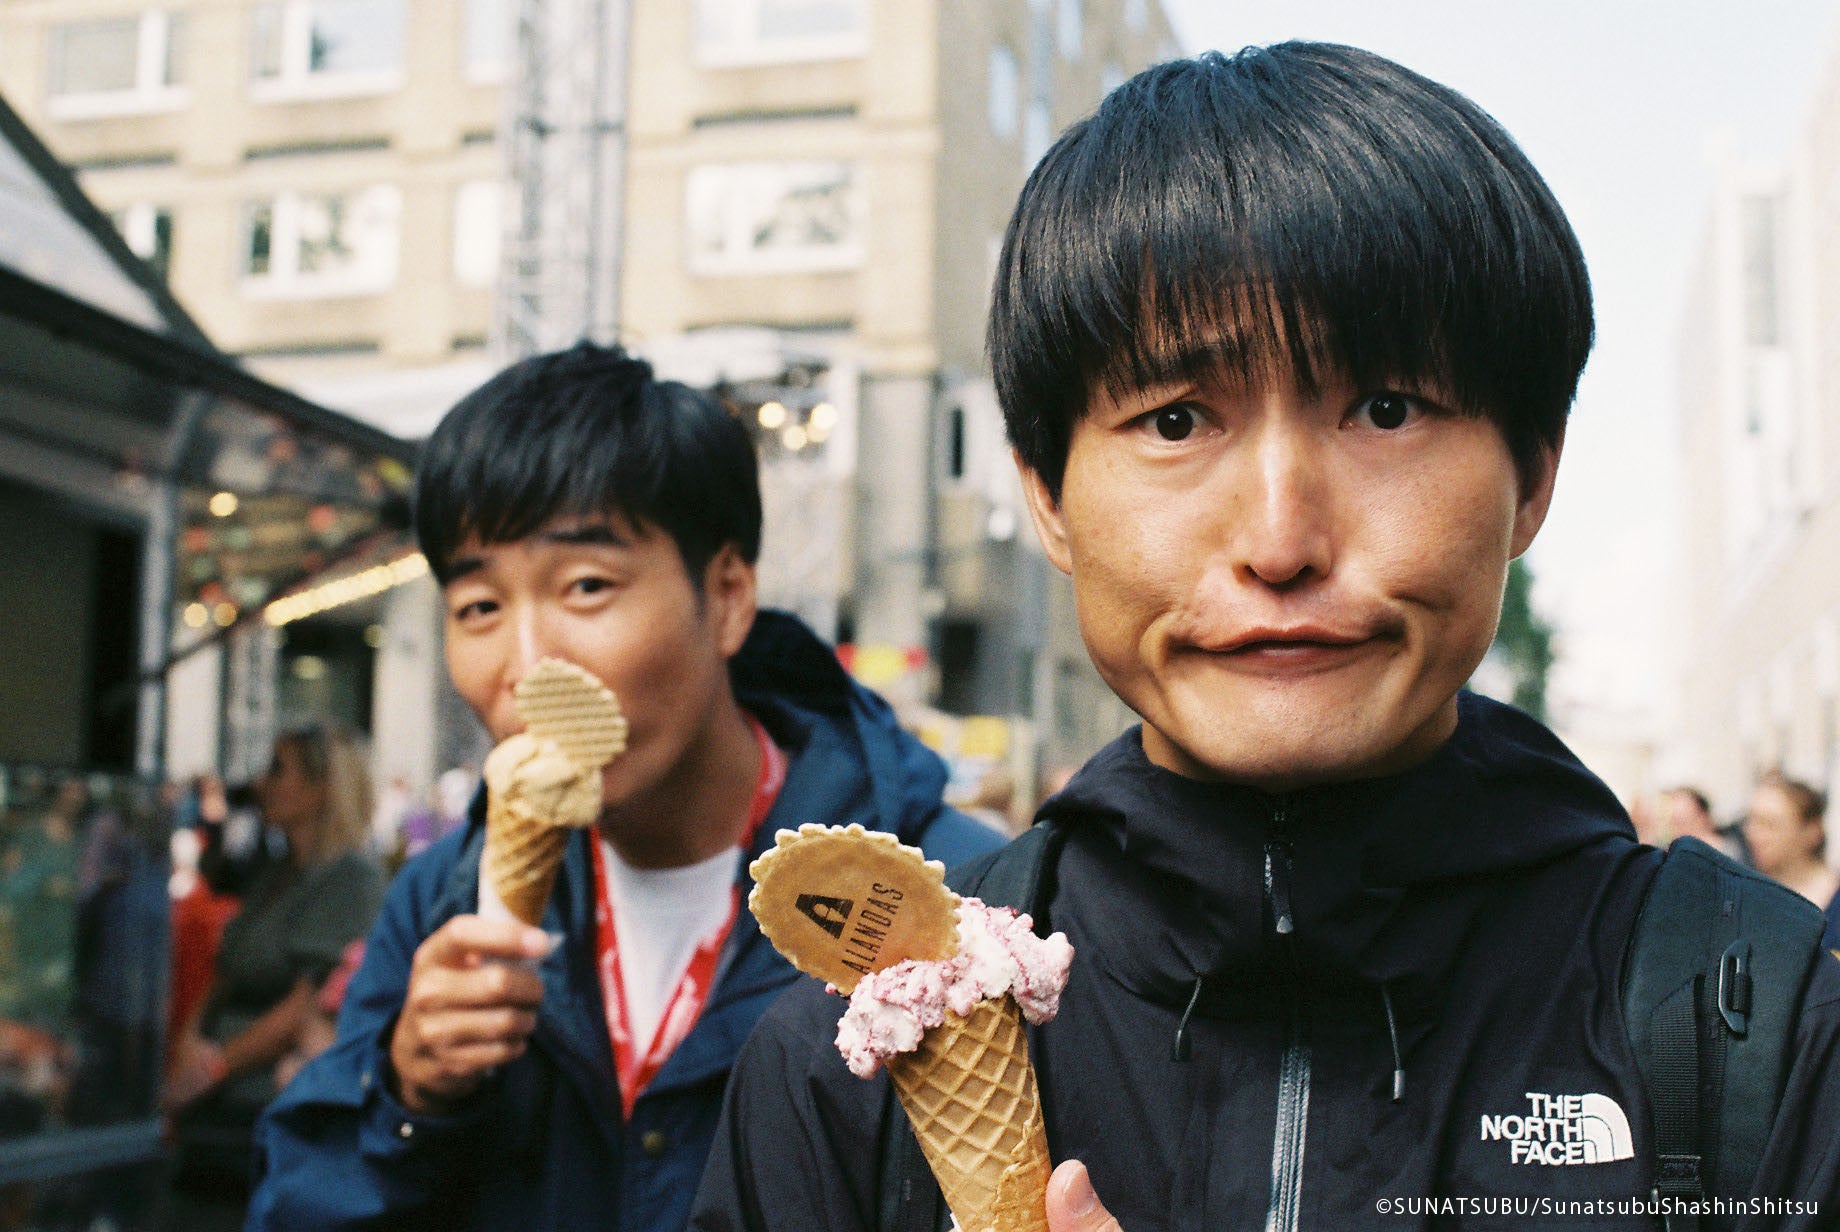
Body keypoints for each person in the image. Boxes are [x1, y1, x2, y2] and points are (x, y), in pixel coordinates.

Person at [693, 44, 1840, 1231]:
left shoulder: (1760, 1021)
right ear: (1046, 494)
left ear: (1532, 475)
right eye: (1176, 419)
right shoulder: (856, 1053)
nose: (1281, 541)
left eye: (1385, 409)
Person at [247, 344, 1002, 1231]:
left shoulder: (950, 894)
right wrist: (412, 1095)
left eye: (587, 586)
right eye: (479, 607)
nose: (528, 670)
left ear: (724, 597)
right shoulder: (443, 899)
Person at [166, 725, 387, 1188]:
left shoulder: (350, 878)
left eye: (277, 770)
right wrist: (191, 1041)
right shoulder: (278, 873)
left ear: (321, 786)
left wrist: (215, 1065)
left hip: (267, 1105)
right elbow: (227, 969)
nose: (262, 784)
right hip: (219, 1101)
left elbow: (309, 1002)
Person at [1745, 772, 1839, 950]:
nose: (1753, 834)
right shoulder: (1747, 899)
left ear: (1812, 831)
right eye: (1751, 822)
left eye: (1769, 824)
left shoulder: (1834, 904)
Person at [1660, 783, 1750, 864]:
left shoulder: (1730, 852)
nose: (1679, 832)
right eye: (1674, 823)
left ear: (1704, 818)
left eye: (1683, 822)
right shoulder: (1671, 855)